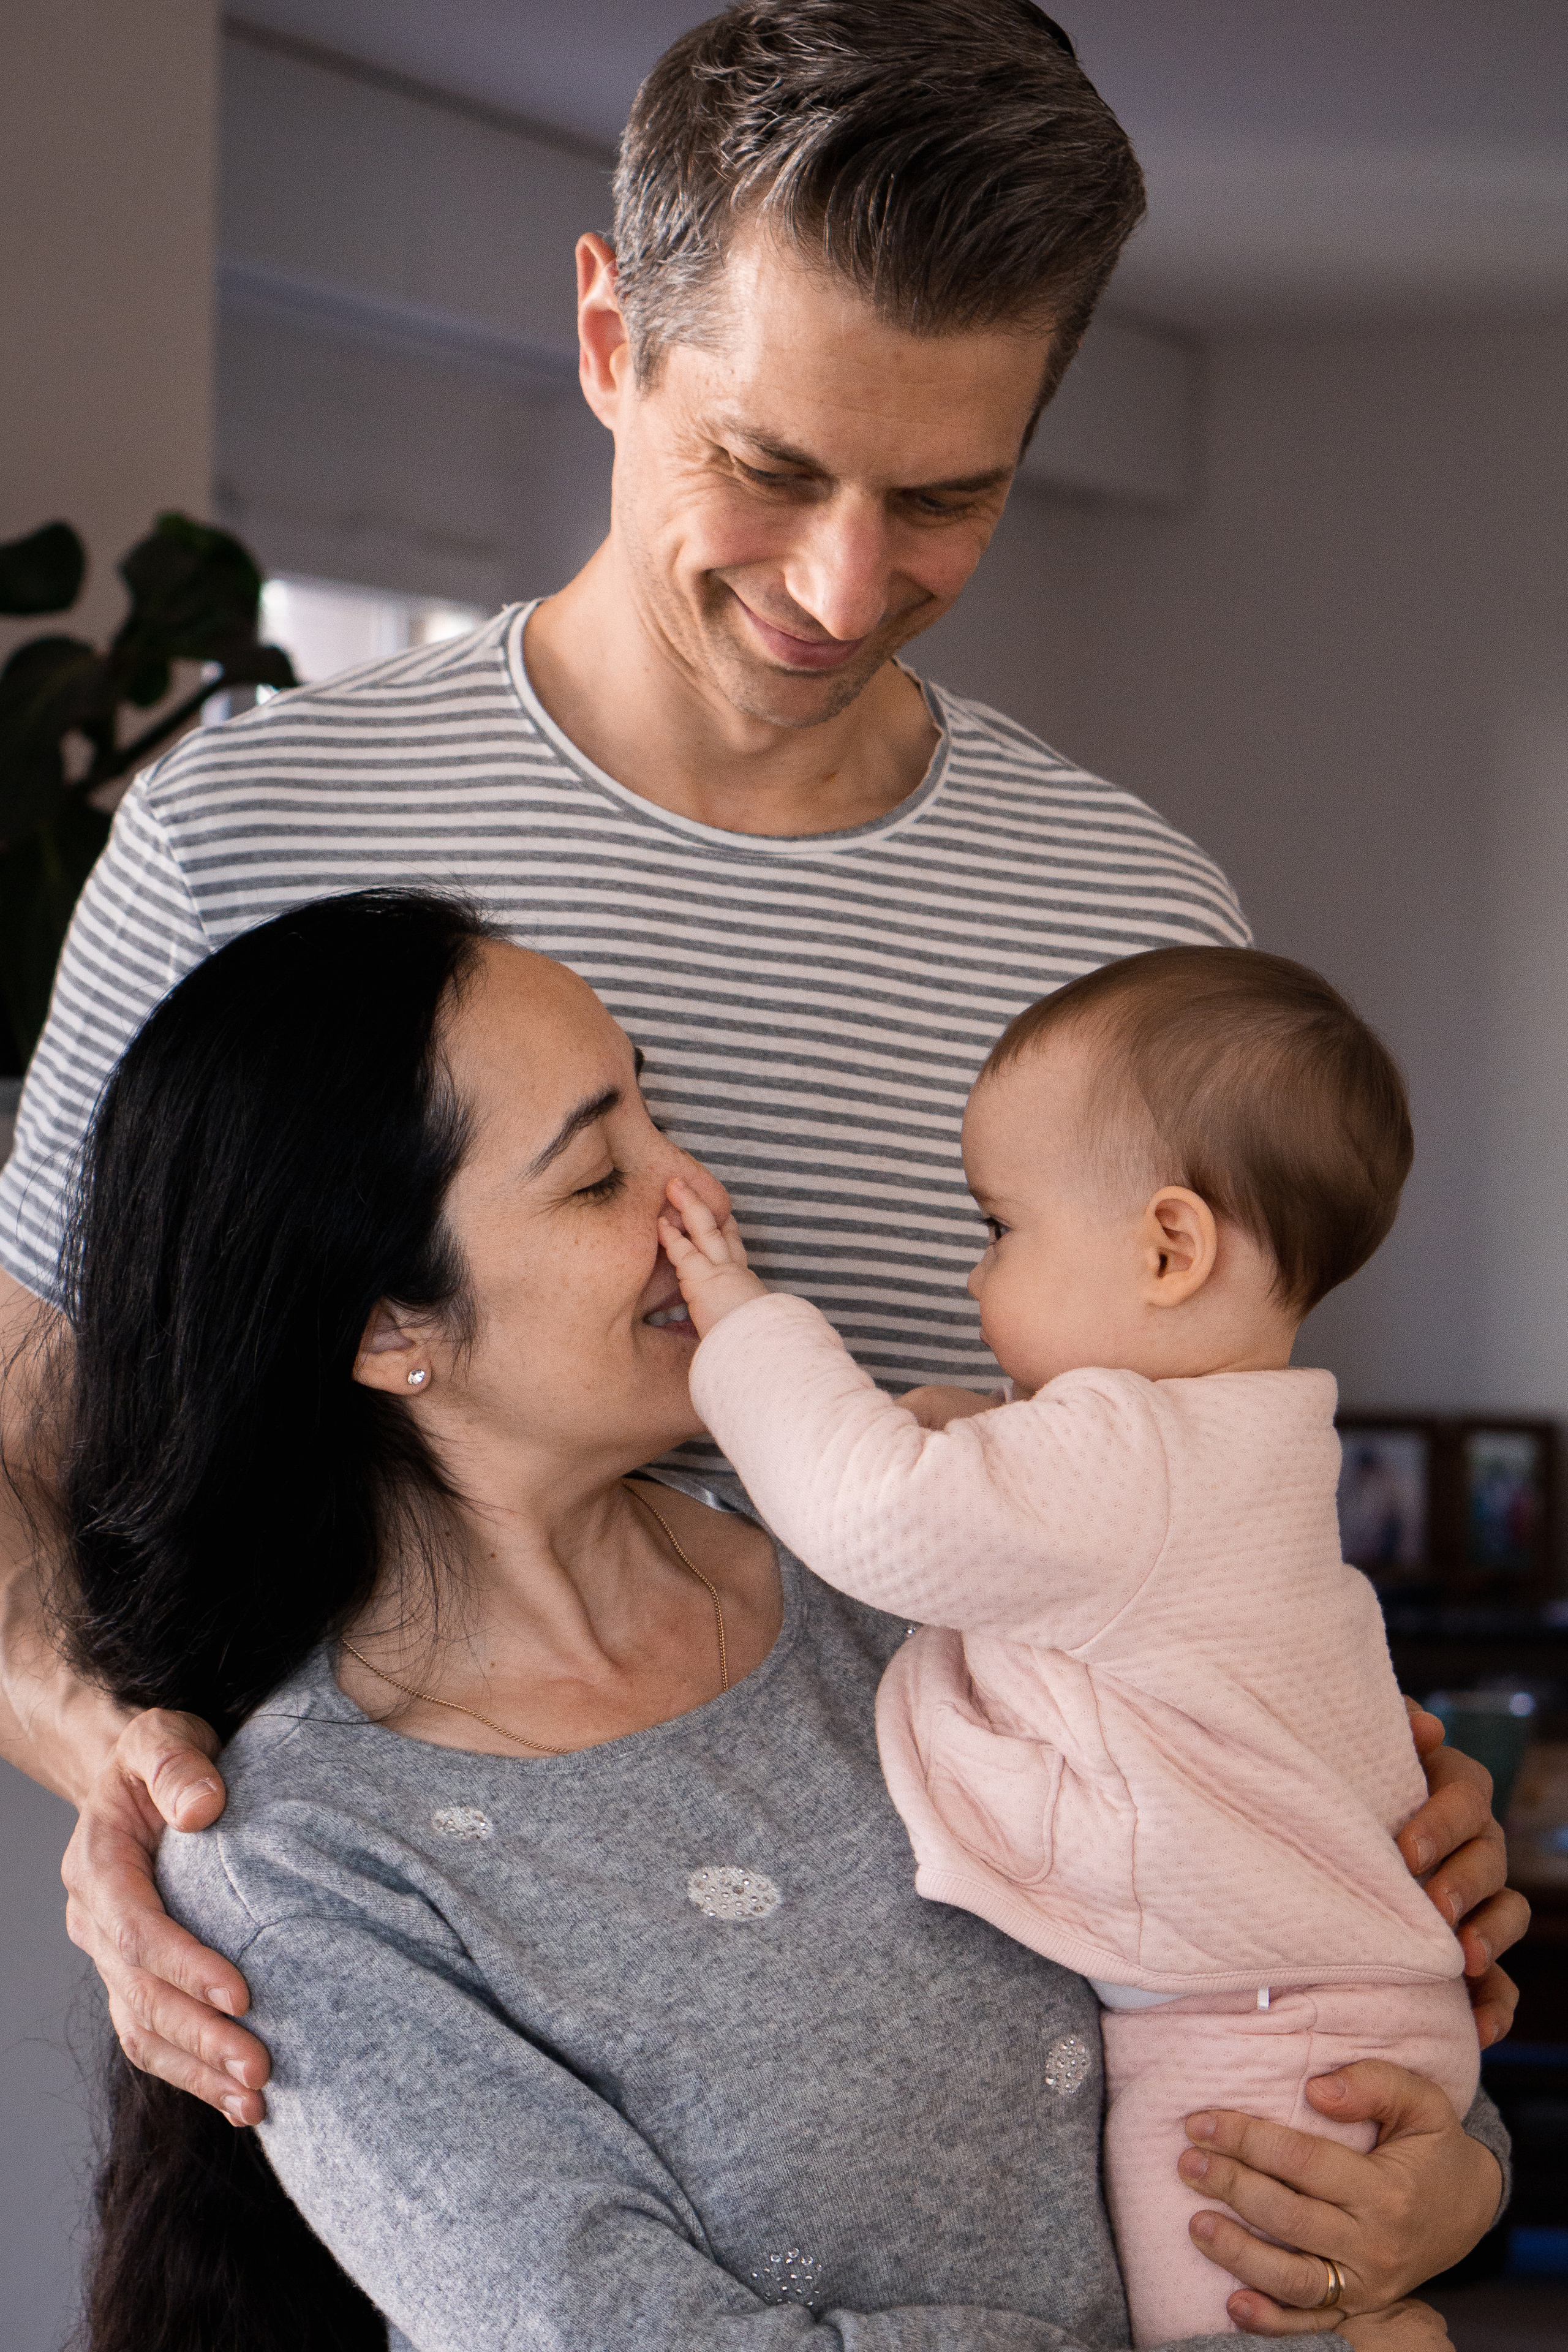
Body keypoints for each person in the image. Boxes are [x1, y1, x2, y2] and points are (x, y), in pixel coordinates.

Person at [0, 0, 1521, 2198]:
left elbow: (1196, 1521)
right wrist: (116, 1758)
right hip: (421, 2119)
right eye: (775, 467)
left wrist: (1352, 1817)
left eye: (947, 498)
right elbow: (19, 1440)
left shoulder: (1132, 931)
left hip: (1030, 2141)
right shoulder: (247, 837)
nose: (839, 586)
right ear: (608, 338)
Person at [55, 892, 1492, 2351]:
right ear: (387, 1330)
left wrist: (1442, 2184)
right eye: (598, 1177)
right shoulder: (313, 1857)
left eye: (661, 1119)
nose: (698, 1190)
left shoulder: (930, 1579)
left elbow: (1301, 2003)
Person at [658, 948, 1487, 2341]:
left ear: (1168, 1249)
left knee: (1234, 2331)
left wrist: (742, 1321)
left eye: (997, 1227)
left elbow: (871, 1509)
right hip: (1304, 2002)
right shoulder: (1222, 1445)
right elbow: (1011, 1485)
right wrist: (953, 1423)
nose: (973, 1270)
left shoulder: (1132, 1461)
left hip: (1260, 2040)